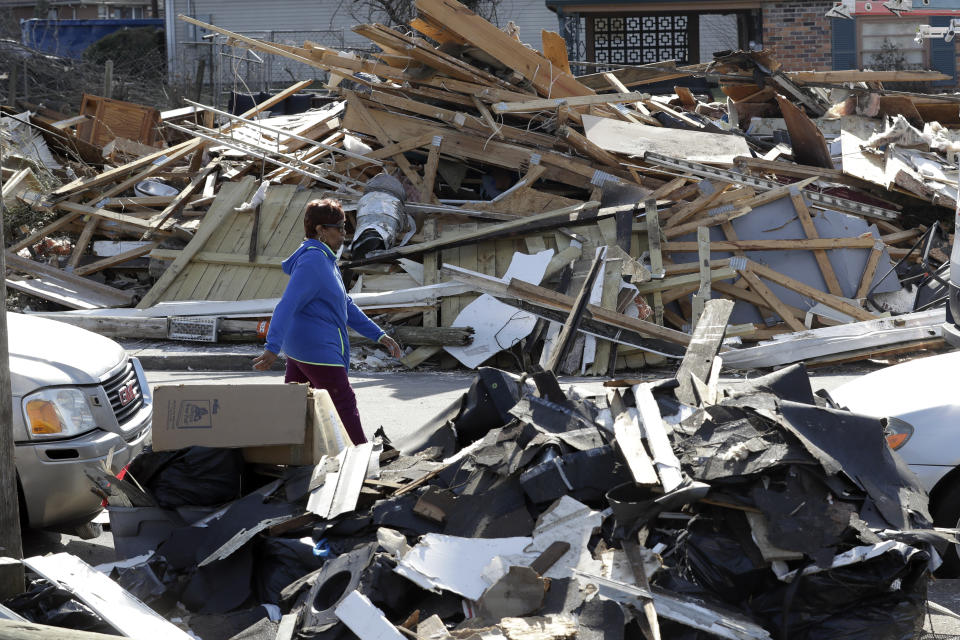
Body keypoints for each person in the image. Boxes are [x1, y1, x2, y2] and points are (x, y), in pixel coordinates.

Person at [252, 198, 402, 445]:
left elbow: (345, 304)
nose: (344, 234)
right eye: (339, 228)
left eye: (345, 227)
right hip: (317, 349)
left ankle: (291, 455)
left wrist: (379, 335)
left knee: (297, 405)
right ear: (321, 230)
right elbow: (287, 304)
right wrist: (271, 347)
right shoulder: (313, 261)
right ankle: (359, 454)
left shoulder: (325, 260)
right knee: (343, 402)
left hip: (302, 349)